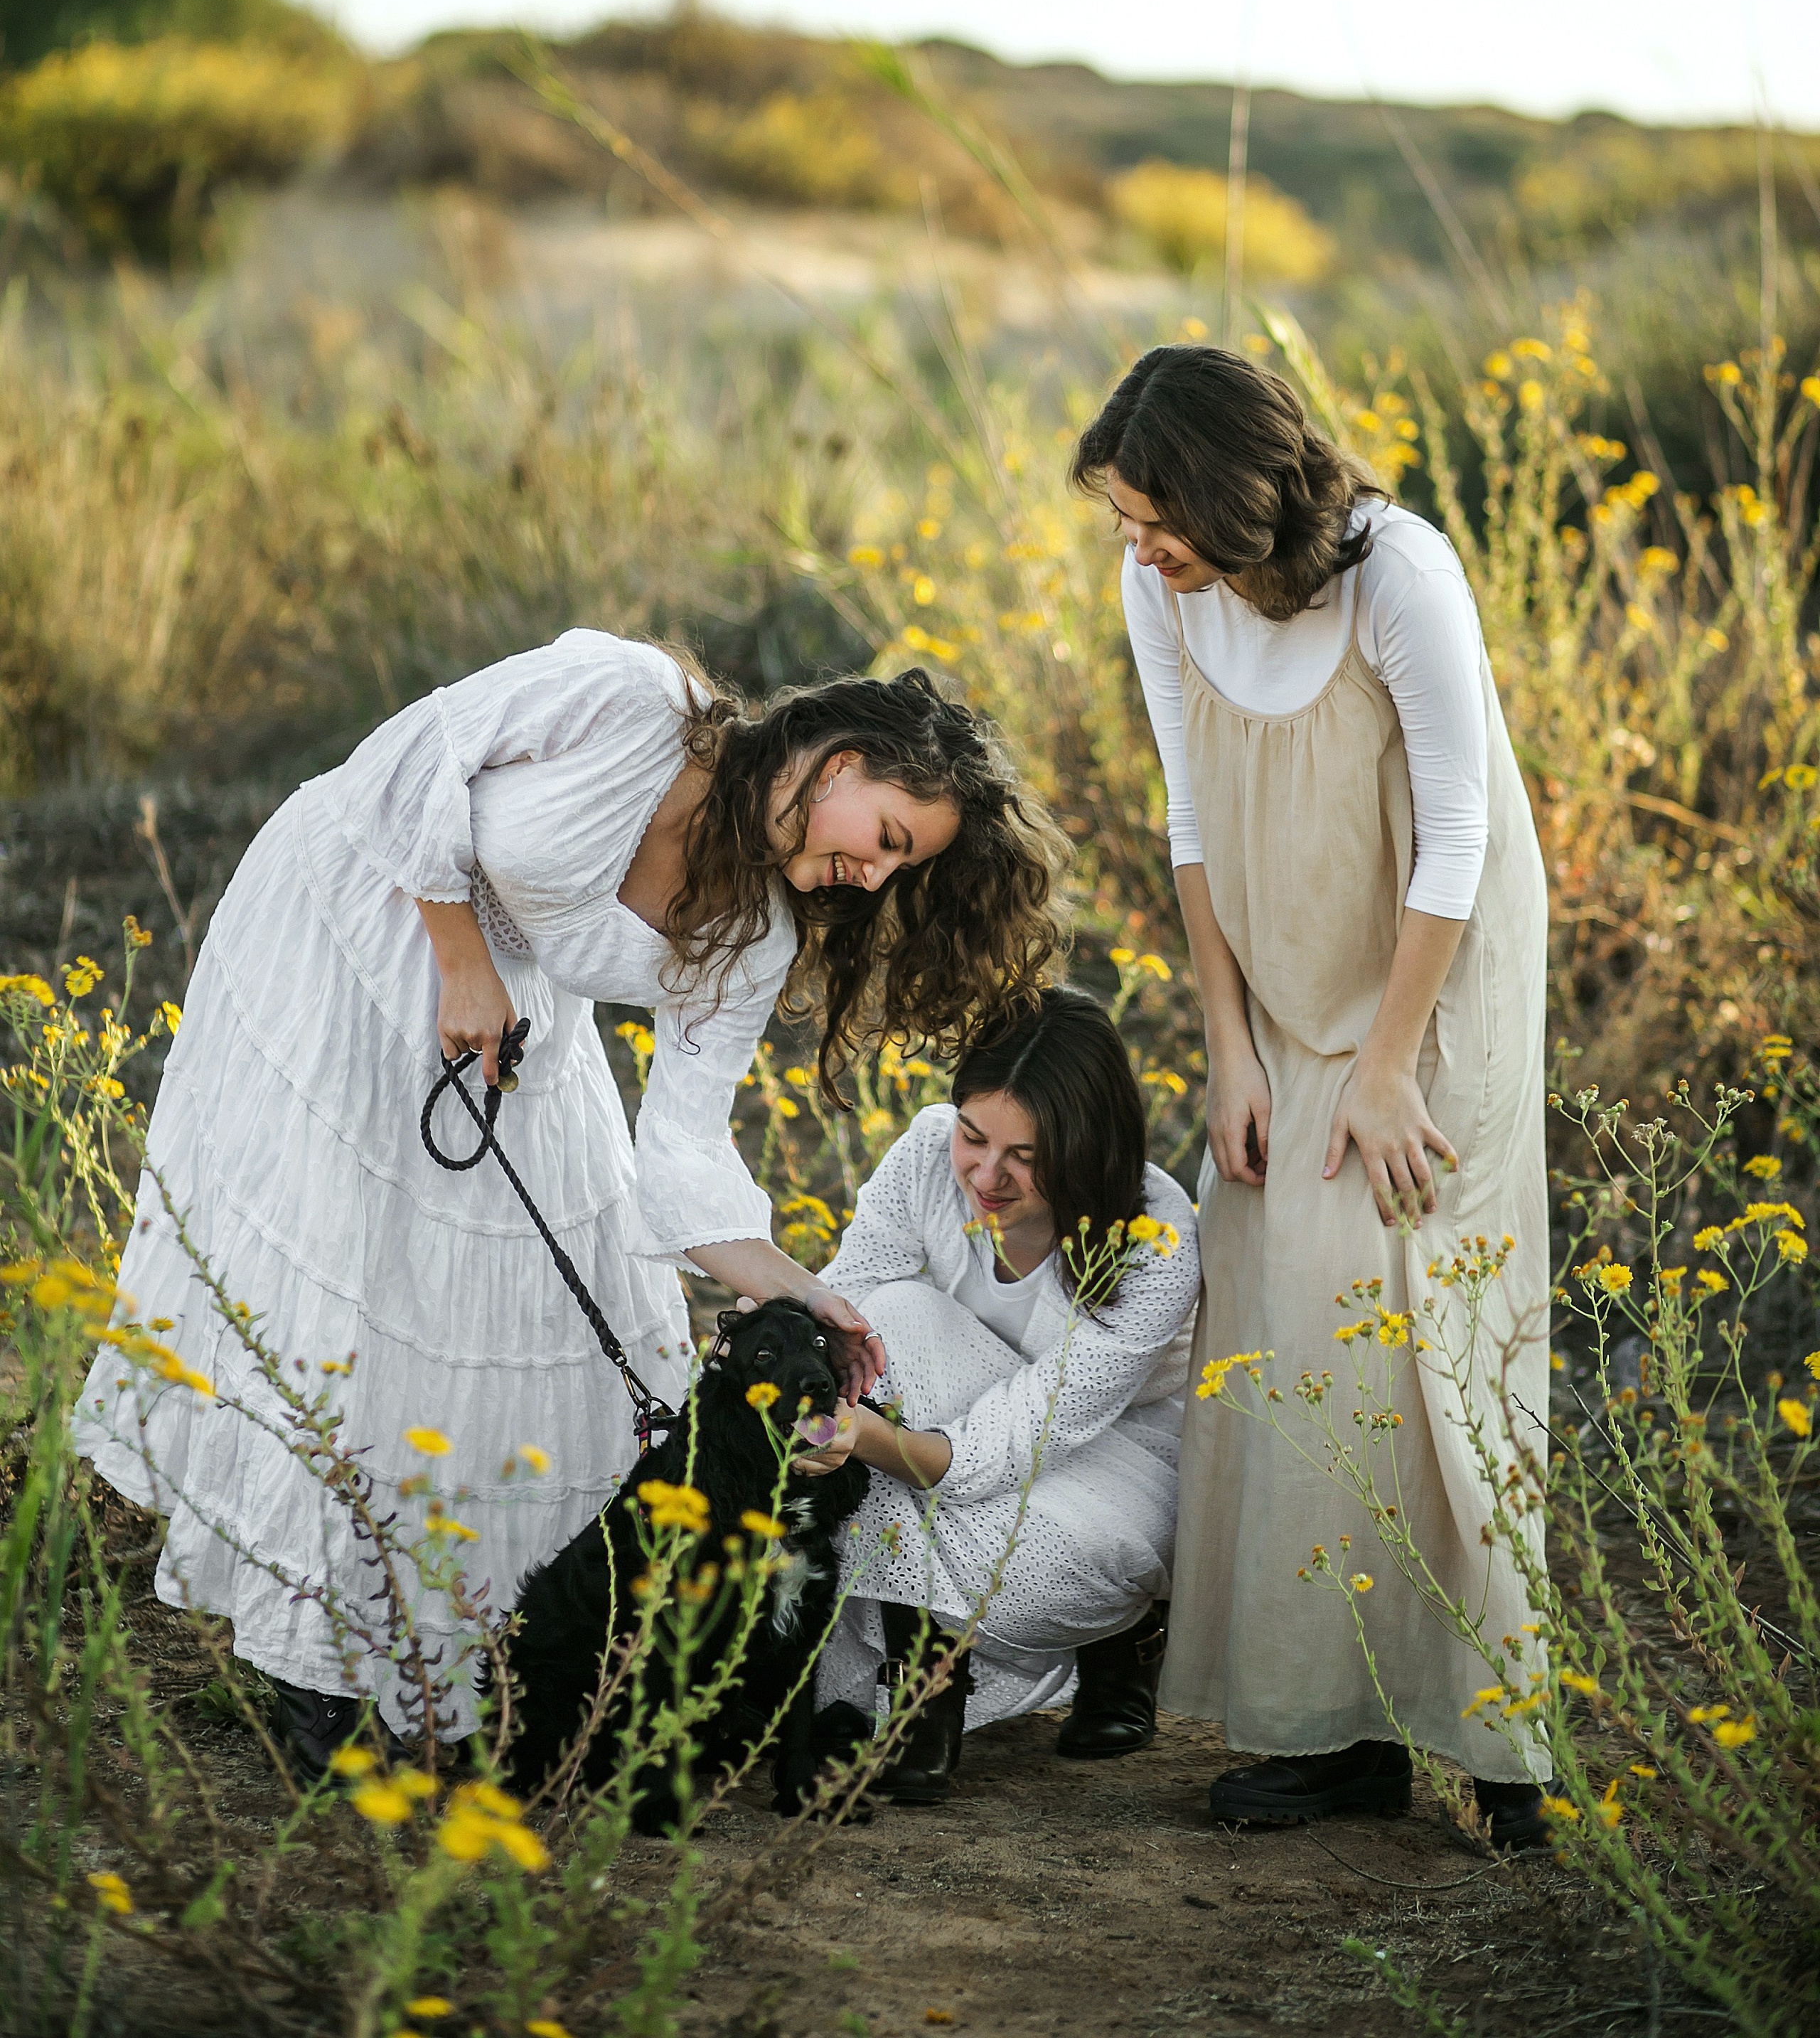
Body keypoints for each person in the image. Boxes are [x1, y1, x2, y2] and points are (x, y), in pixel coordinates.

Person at [75, 634, 1064, 1767]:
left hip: (503, 1004)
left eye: (900, 870)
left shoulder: (756, 935)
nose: (874, 877)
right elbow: (411, 761)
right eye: (886, 838)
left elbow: (683, 1155)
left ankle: (461, 1666)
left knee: (513, 1317)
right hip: (350, 918)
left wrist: (811, 1296)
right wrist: (461, 959)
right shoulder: (634, 700)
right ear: (839, 761)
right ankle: (315, 1680)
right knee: (343, 1294)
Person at [1072, 344, 1551, 1855]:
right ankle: (1331, 1731)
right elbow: (1190, 816)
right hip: (1279, 976)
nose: (1137, 547)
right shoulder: (1160, 590)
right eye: (1125, 521)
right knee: (1287, 1311)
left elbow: (1459, 829)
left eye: (1157, 517)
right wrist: (1230, 1048)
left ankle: (1493, 1733)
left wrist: (1393, 1064)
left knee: (1423, 1321)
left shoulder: (1400, 574)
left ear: (1235, 494)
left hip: (1434, 978)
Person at [802, 986, 1200, 1805]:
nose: (987, 1175)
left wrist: (866, 1438)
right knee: (880, 1319)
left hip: (1111, 1467)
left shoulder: (1154, 1240)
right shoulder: (926, 1153)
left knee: (978, 1534)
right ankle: (925, 1675)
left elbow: (1021, 1435)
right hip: (953, 1424)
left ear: (1087, 1146)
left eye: (1027, 1155)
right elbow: (845, 1300)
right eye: (974, 1136)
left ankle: (1123, 1633)